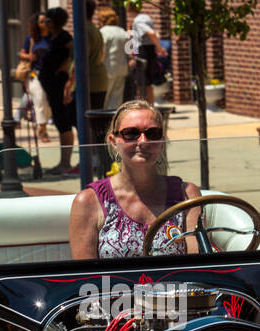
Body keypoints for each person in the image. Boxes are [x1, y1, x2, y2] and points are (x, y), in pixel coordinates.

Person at [68, 100, 200, 260]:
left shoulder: (186, 195)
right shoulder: (89, 202)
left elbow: (197, 266)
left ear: (162, 141)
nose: (143, 141)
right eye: (131, 133)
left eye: (152, 134)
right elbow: (85, 279)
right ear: (113, 142)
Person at [39, 7, 76, 174]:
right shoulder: (52, 38)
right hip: (52, 87)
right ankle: (63, 161)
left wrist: (64, 69)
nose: (45, 22)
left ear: (54, 21)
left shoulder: (64, 37)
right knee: (61, 123)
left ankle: (66, 162)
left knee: (64, 123)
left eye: (47, 19)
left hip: (60, 88)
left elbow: (73, 55)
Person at [72, 0, 108, 121]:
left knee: (87, 123)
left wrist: (69, 84)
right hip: (99, 79)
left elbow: (80, 59)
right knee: (96, 122)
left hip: (89, 82)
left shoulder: (84, 31)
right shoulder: (95, 29)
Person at [17, 12, 50, 142]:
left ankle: (43, 125)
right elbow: (22, 53)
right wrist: (29, 57)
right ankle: (43, 129)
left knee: (47, 103)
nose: (45, 23)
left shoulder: (53, 37)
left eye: (46, 20)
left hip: (51, 75)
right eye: (42, 21)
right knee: (40, 100)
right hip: (35, 74)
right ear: (36, 24)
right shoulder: (32, 38)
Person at [129, 9, 167, 103]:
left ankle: (145, 107)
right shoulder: (147, 18)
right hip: (149, 51)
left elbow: (152, 33)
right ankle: (149, 107)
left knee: (142, 83)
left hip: (143, 52)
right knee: (147, 84)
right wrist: (157, 46)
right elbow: (156, 34)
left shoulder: (138, 21)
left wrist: (159, 47)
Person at [98, 7, 128, 111]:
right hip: (122, 68)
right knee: (117, 99)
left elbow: (102, 51)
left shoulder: (103, 32)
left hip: (107, 69)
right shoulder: (122, 31)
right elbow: (130, 50)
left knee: (105, 98)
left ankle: (105, 122)